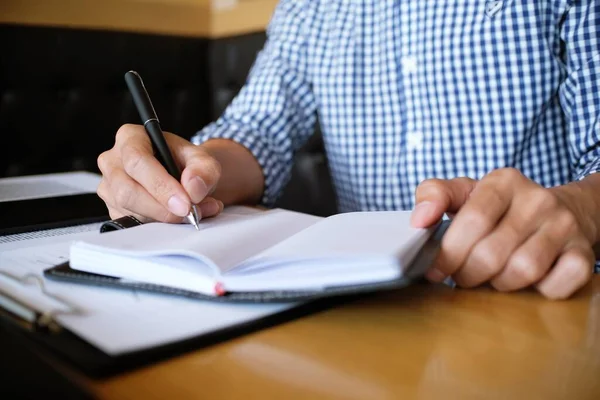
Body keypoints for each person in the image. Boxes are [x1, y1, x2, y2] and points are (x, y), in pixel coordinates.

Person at [96, 1, 600, 300]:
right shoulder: (310, 7)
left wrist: (579, 207)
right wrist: (187, 169)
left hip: (533, 297)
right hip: (363, 309)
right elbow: (257, 130)